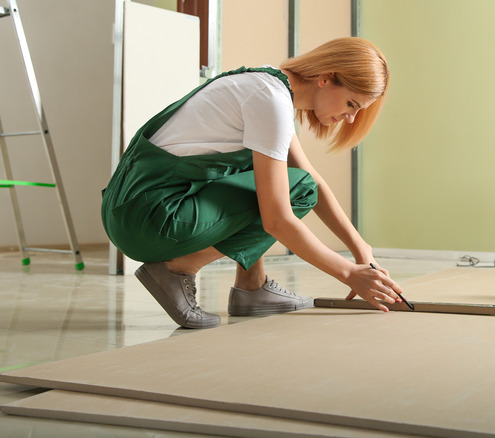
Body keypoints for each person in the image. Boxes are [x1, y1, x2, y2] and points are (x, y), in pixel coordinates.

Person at [101, 37, 404, 329]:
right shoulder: (271, 101)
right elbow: (279, 219)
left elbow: (310, 176)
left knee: (284, 179)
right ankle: (179, 268)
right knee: (293, 190)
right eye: (352, 104)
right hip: (149, 217)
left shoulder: (267, 84)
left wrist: (361, 248)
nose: (351, 118)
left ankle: (252, 285)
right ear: (326, 78)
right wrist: (349, 273)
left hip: (133, 208)